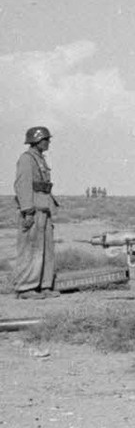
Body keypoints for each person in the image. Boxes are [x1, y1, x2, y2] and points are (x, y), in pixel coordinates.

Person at [13, 126, 57, 299]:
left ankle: (44, 285)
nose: (48, 143)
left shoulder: (40, 159)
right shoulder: (26, 159)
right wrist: (28, 211)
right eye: (46, 140)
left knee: (46, 249)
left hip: (44, 209)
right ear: (37, 140)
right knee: (31, 248)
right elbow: (22, 185)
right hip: (33, 210)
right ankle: (26, 287)